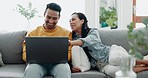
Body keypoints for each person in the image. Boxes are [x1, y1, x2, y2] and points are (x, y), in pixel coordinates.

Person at [68, 12, 148, 77]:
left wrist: (70, 43)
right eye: (70, 21)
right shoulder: (73, 38)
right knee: (116, 72)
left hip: (110, 53)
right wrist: (74, 68)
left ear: (82, 21)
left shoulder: (93, 31)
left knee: (115, 59)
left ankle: (145, 61)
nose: (71, 22)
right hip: (101, 65)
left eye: (73, 20)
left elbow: (87, 41)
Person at [22, 3, 72, 78]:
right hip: (37, 65)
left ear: (59, 18)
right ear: (44, 14)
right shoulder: (32, 33)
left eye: (54, 18)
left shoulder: (67, 33)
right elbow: (25, 55)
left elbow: (69, 54)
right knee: (31, 70)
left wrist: (56, 58)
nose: (51, 21)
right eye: (48, 17)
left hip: (58, 65)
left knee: (64, 70)